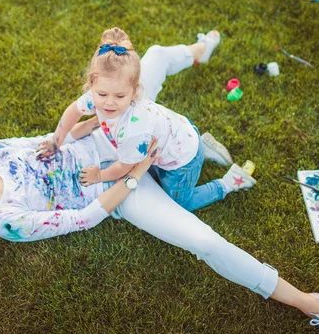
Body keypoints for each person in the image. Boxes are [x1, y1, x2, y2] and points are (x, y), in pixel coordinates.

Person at [0, 32, 319, 334]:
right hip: (120, 190)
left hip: (116, 132)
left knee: (158, 56)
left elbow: (49, 138)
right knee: (204, 241)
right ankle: (314, 305)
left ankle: (198, 52)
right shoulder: (6, 221)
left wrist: (95, 126)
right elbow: (83, 218)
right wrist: (133, 173)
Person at [35, 27, 255, 212]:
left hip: (181, 161)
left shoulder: (134, 130)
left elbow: (123, 168)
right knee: (153, 169)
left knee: (179, 203)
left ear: (135, 91)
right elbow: (74, 111)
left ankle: (228, 183)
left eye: (120, 96)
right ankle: (203, 148)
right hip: (178, 134)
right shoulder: (99, 95)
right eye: (102, 94)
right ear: (92, 85)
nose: (109, 103)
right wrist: (57, 141)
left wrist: (99, 175)